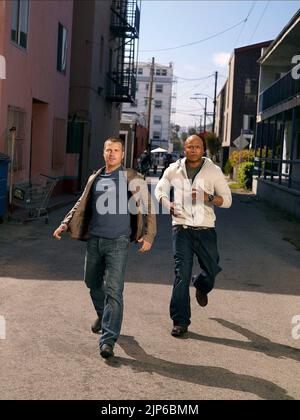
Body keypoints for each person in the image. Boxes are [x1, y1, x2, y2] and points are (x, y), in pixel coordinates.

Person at [53, 138, 156, 358]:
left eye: (116, 150)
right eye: (108, 149)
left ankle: (108, 339)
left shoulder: (132, 177)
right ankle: (103, 314)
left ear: (122, 154)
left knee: (114, 290)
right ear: (103, 152)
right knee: (91, 281)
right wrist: (64, 223)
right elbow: (81, 203)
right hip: (95, 239)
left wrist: (149, 235)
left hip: (118, 241)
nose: (112, 153)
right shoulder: (95, 178)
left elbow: (148, 207)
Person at [155, 135, 232, 337]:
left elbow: (228, 201)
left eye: (197, 146)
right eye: (189, 146)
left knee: (212, 269)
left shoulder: (213, 171)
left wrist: (208, 197)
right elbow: (159, 190)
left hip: (206, 229)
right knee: (182, 274)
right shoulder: (174, 169)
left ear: (203, 149)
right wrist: (167, 204)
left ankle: (201, 285)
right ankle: (180, 321)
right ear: (184, 149)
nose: (193, 150)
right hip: (181, 229)